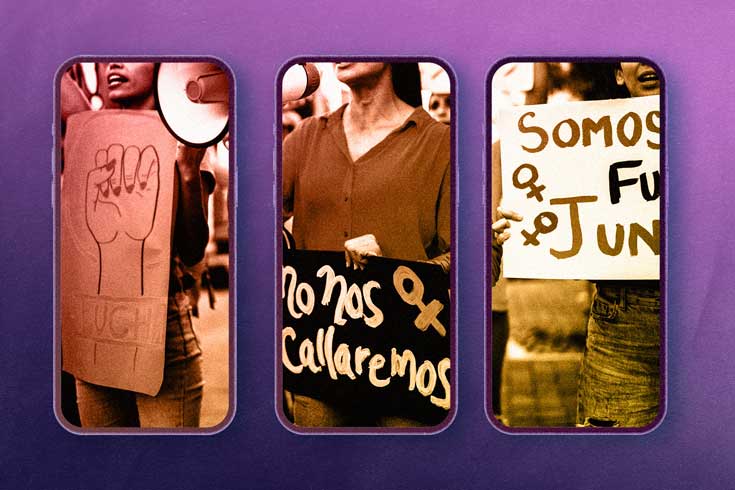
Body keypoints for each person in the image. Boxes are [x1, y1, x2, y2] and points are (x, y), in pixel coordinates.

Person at [282, 62, 450, 427]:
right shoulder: (306, 137)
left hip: (407, 364)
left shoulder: (440, 144)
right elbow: (251, 228)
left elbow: (478, 262)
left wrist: (396, 268)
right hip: (320, 360)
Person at [64, 62, 215, 427]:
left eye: (132, 56)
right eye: (110, 56)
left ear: (164, 68)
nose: (116, 63)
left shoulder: (188, 132)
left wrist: (189, 171)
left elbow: (193, 247)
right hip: (93, 328)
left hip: (161, 335)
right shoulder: (88, 134)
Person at [576, 62, 661, 428]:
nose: (646, 59)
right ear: (617, 74)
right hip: (623, 329)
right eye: (631, 49)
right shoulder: (582, 144)